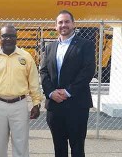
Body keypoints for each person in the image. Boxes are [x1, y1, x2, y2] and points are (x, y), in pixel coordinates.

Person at [0, 25, 43, 157]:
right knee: (0, 144)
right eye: (5, 36)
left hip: (19, 105)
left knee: (21, 143)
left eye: (12, 36)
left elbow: (34, 82)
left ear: (16, 38)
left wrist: (36, 103)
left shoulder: (26, 57)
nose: (8, 39)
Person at [40, 10, 96, 157]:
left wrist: (68, 91)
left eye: (66, 22)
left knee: (77, 148)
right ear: (55, 26)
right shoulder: (49, 47)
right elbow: (43, 72)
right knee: (59, 148)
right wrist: (51, 92)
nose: (63, 25)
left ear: (73, 24)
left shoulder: (86, 45)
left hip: (76, 104)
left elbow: (87, 71)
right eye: (60, 22)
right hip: (54, 105)